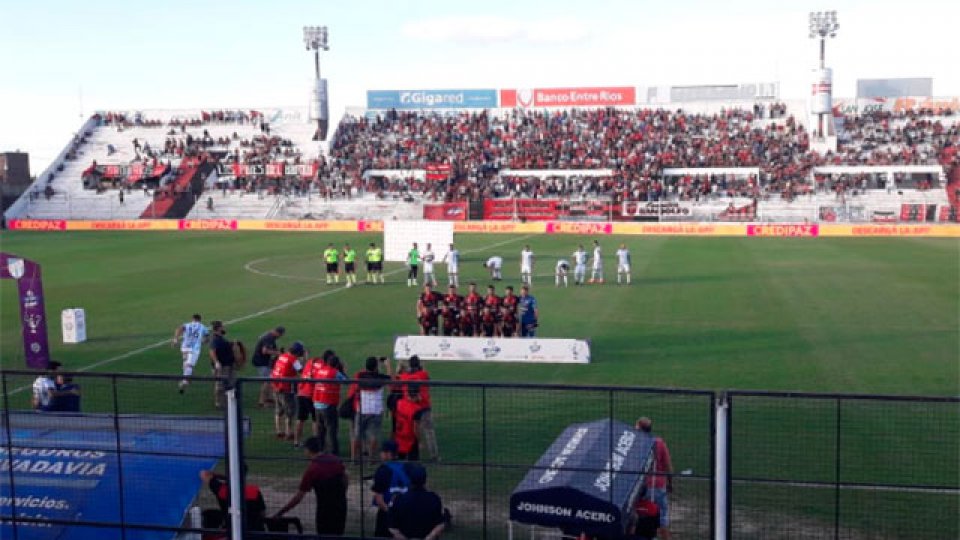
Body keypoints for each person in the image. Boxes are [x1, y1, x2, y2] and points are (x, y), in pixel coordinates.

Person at [273, 436, 348, 536]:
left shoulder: (312, 470)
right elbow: (345, 478)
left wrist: (280, 513)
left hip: (325, 510)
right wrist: (342, 493)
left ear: (308, 450)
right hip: (341, 505)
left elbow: (298, 497)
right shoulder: (335, 460)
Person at [199, 464, 267, 534]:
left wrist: (217, 475)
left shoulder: (222, 491)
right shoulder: (254, 491)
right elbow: (263, 513)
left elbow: (204, 474)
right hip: (256, 532)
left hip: (233, 532)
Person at [388, 463, 448, 540]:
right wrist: (428, 538)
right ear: (425, 480)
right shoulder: (434, 498)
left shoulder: (398, 499)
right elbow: (440, 524)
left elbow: (392, 527)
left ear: (409, 479)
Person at [636, 417, 673, 539]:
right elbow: (668, 466)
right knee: (662, 517)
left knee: (642, 517)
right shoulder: (659, 443)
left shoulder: (636, 443)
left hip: (641, 488)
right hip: (658, 486)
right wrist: (670, 483)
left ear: (639, 428)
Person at [398, 355, 439, 462]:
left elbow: (400, 376)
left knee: (411, 432)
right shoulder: (423, 374)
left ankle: (412, 454)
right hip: (424, 406)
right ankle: (434, 455)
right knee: (429, 432)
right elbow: (426, 378)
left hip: (410, 409)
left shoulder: (404, 376)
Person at [352, 356, 393, 462]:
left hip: (362, 409)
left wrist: (374, 365)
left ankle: (354, 458)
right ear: (376, 368)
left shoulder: (361, 376)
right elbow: (390, 378)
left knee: (357, 435)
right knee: (374, 435)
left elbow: (366, 372)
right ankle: (371, 458)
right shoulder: (379, 378)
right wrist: (388, 365)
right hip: (375, 410)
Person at [370, 440, 412, 537]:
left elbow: (379, 499)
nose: (380, 455)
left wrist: (390, 514)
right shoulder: (407, 467)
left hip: (387, 513)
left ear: (388, 454)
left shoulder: (383, 470)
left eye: (382, 452)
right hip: (405, 512)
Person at [312, 353, 349, 456]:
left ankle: (320, 450)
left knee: (321, 429)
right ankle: (334, 452)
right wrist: (343, 370)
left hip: (317, 403)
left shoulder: (320, 370)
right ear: (337, 364)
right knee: (332, 429)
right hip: (328, 404)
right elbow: (347, 381)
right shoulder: (335, 373)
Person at [272, 341, 306, 442]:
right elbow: (302, 372)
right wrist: (305, 359)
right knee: (290, 410)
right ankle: (289, 432)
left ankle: (278, 430)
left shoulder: (282, 356)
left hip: (275, 385)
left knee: (279, 409)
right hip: (286, 388)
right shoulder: (293, 359)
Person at [173, 314, 210, 394]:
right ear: (200, 319)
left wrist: (175, 339)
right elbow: (207, 338)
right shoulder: (203, 327)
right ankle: (185, 381)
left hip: (185, 347)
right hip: (194, 349)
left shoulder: (187, 325)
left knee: (185, 363)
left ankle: (188, 378)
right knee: (189, 365)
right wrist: (204, 341)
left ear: (192, 319)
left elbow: (178, 329)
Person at [209, 321, 241, 409]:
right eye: (223, 327)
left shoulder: (220, 338)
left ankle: (228, 401)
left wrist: (232, 344)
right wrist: (216, 362)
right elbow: (212, 351)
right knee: (220, 385)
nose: (224, 328)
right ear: (219, 328)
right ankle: (219, 403)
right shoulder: (215, 339)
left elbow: (223, 347)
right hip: (222, 366)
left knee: (231, 383)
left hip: (228, 365)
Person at [251, 326, 285, 408]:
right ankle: (262, 402)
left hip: (262, 361)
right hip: (261, 362)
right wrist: (277, 353)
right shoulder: (269, 338)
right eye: (280, 335)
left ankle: (269, 399)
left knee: (269, 381)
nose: (280, 337)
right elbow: (265, 351)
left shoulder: (269, 336)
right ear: (277, 333)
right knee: (266, 381)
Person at [293, 354, 321, 448]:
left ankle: (296, 442)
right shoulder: (321, 365)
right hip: (311, 395)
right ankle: (316, 443)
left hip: (301, 393)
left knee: (300, 419)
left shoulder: (309, 363)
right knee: (315, 420)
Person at [393, 384, 426, 461]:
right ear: (418, 394)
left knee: (400, 460)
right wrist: (420, 441)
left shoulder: (399, 402)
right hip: (410, 439)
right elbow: (416, 429)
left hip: (399, 436)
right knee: (413, 463)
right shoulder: (417, 409)